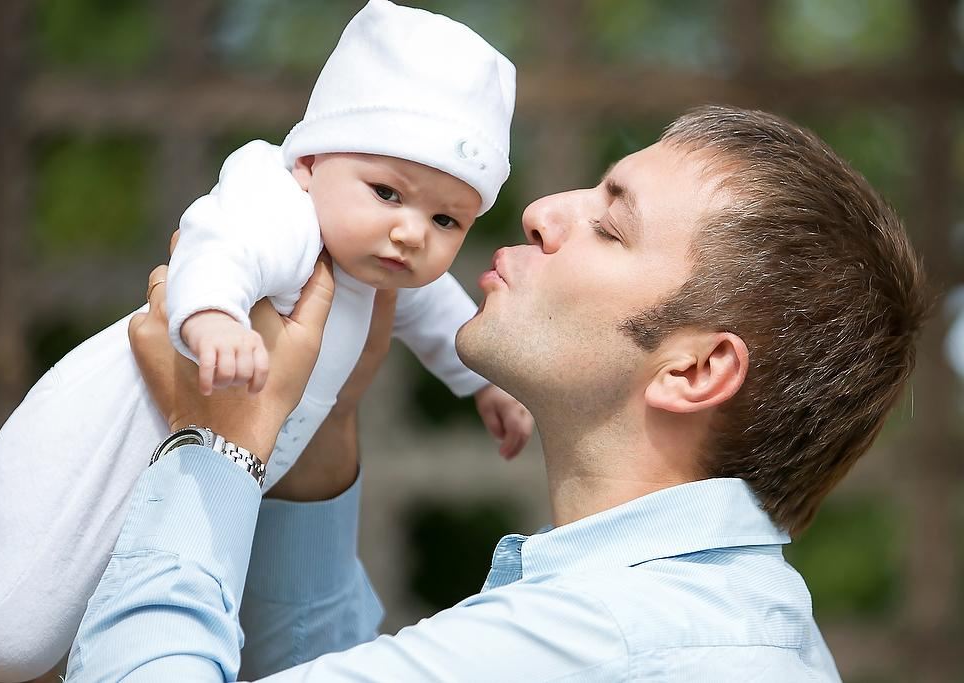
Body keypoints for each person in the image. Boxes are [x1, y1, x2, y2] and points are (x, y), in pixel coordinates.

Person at [64, 105, 929, 681]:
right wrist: (321, 424)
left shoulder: (613, 638)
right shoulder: (687, 620)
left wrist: (212, 444)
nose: (543, 209)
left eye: (611, 224)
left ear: (695, 370)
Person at [0, 2, 532, 680]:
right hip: (103, 437)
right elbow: (216, 245)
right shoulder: (282, 209)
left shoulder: (377, 263)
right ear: (309, 161)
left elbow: (442, 317)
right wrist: (214, 317)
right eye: (387, 192)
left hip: (192, 460)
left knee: (85, 625)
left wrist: (483, 381)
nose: (412, 233)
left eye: (446, 218)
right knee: (4, 635)